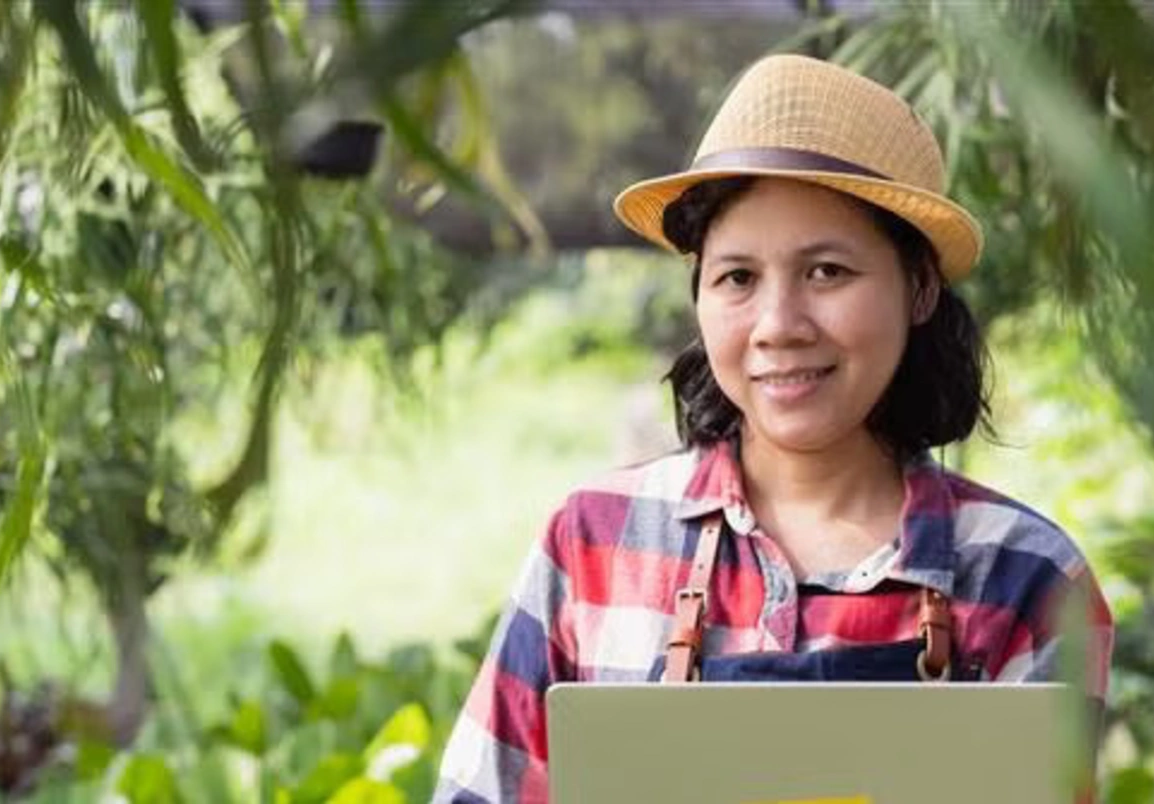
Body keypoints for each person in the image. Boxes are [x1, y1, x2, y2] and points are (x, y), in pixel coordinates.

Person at [432, 54, 1114, 804]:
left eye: (827, 271)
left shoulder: (1028, 577)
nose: (778, 326)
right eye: (737, 278)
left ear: (918, 287)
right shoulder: (593, 543)